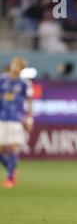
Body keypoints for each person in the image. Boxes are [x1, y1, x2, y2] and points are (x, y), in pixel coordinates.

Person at [0, 57, 34, 188]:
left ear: (21, 69)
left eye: (18, 66)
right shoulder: (2, 79)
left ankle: (10, 178)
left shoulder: (25, 84)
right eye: (14, 64)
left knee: (13, 147)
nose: (15, 67)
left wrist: (30, 119)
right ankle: (12, 169)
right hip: (1, 118)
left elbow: (30, 102)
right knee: (1, 149)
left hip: (15, 119)